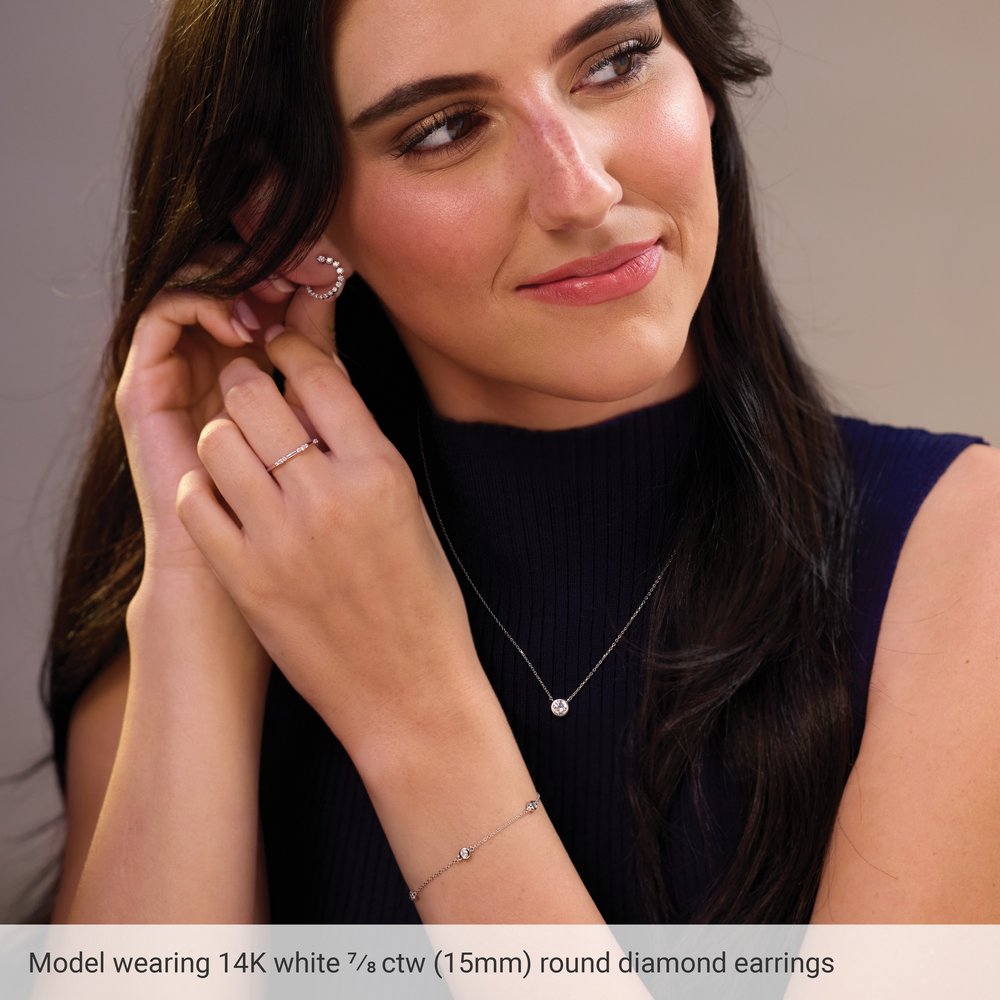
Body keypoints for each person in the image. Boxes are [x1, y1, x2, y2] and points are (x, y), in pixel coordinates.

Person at [42, 0, 999, 925]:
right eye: (445, 128)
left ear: (701, 74)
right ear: (281, 217)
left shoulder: (960, 562)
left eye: (616, 62)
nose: (583, 190)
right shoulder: (190, 610)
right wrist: (204, 571)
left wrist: (414, 712)